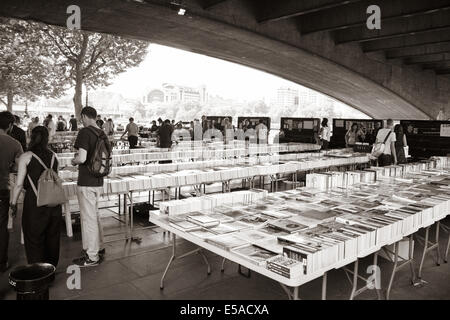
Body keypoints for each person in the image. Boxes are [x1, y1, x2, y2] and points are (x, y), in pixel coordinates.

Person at [10, 126, 62, 266]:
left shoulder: (26, 157)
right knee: (52, 237)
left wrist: (13, 204)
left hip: (35, 203)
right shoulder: (54, 156)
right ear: (46, 138)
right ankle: (50, 270)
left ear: (31, 138)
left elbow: (19, 184)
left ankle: (37, 273)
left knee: (34, 238)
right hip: (54, 203)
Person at [71, 106, 107, 267]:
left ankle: (92, 257)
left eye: (81, 118)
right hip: (99, 180)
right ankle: (98, 247)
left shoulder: (85, 132)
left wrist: (74, 160)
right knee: (94, 215)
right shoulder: (102, 132)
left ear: (85, 116)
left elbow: (82, 158)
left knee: (89, 218)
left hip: (86, 180)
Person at [0, 111, 23, 272]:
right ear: (10, 126)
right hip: (2, 187)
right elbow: (18, 167)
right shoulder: (14, 144)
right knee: (2, 226)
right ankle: (2, 261)